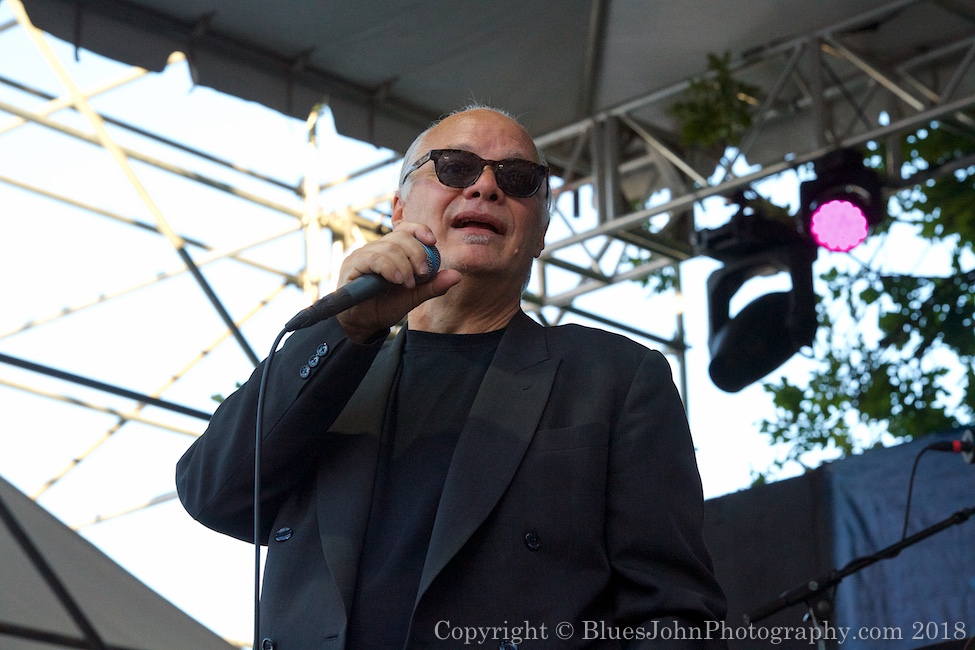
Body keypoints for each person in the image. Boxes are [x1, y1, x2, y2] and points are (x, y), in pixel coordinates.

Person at [176, 105, 727, 649]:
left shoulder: (614, 378)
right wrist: (343, 330)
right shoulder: (334, 373)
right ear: (398, 210)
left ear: (540, 232)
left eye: (518, 178)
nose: (486, 187)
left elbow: (673, 614)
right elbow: (213, 493)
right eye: (455, 167)